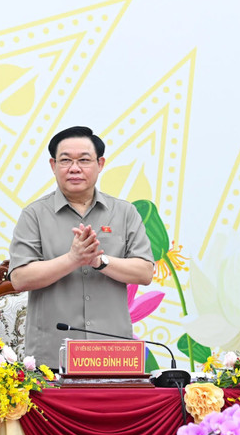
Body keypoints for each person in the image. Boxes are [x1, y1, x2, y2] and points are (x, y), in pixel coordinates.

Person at [9, 126, 154, 368]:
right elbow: (20, 278)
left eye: (84, 160)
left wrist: (100, 261)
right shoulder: (34, 215)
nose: (74, 168)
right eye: (66, 160)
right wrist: (73, 259)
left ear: (100, 164)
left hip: (113, 352)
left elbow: (145, 272)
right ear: (53, 165)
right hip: (52, 354)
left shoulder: (125, 213)